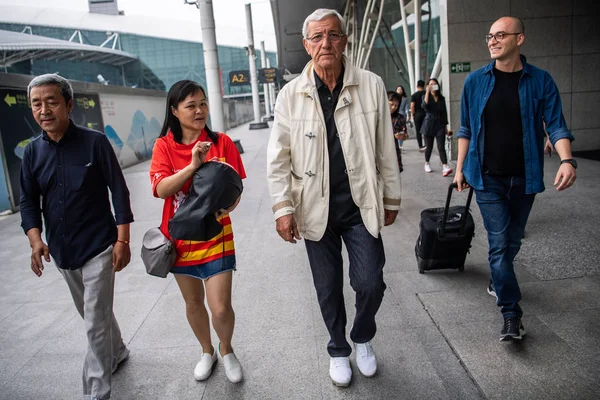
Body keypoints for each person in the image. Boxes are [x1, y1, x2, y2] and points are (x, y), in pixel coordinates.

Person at [266, 8, 401, 387]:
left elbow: (384, 149)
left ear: (344, 40)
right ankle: (339, 349)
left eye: (333, 35)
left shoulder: (371, 85)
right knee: (327, 287)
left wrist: (391, 197)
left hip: (361, 205)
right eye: (317, 37)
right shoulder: (290, 95)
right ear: (307, 45)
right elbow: (278, 159)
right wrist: (283, 207)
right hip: (313, 208)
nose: (326, 43)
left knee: (370, 282)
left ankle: (363, 337)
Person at [454, 17, 576, 341]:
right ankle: (511, 314)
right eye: (489, 36)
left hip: (525, 178)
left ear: (519, 39)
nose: (493, 41)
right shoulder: (475, 81)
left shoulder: (541, 81)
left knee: (513, 241)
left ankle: (498, 278)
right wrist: (459, 169)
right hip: (487, 178)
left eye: (500, 35)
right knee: (498, 245)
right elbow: (465, 129)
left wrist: (566, 159)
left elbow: (557, 124)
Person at [20, 73, 133, 400]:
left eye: (51, 102)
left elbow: (119, 191)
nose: (44, 110)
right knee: (92, 312)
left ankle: (95, 392)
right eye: (36, 104)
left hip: (99, 245)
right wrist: (35, 239)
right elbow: (28, 199)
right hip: (62, 250)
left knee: (93, 322)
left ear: (69, 104)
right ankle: (119, 350)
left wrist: (122, 240)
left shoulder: (94, 142)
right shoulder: (31, 153)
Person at [149, 80, 246, 383]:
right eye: (191, 105)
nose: (200, 110)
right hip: (179, 241)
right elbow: (160, 188)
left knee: (220, 307)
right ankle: (207, 351)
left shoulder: (222, 142)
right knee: (192, 303)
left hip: (216, 236)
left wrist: (227, 209)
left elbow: (236, 186)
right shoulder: (163, 146)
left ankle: (227, 348)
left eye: (203, 103)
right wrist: (192, 166)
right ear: (174, 111)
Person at [422, 78, 453, 176]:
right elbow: (424, 106)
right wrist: (427, 92)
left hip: (439, 124)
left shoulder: (441, 98)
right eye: (431, 84)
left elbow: (444, 113)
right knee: (429, 146)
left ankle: (445, 166)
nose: (433, 86)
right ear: (428, 86)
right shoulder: (425, 96)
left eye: (435, 84)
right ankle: (426, 163)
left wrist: (446, 127)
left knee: (441, 146)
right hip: (429, 124)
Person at [388, 91, 408, 172]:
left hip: (393, 151)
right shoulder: (378, 116)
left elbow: (406, 135)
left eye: (396, 106)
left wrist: (402, 136)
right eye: (391, 104)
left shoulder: (399, 118)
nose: (393, 107)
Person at [410, 80, 427, 152]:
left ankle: (420, 146)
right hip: (426, 114)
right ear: (424, 86)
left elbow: (412, 106)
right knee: (426, 130)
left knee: (418, 131)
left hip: (417, 114)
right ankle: (427, 144)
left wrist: (413, 114)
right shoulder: (427, 94)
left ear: (417, 86)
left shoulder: (414, 95)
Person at [395, 85, 409, 151]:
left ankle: (400, 145)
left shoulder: (405, 99)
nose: (399, 90)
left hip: (402, 116)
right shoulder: (394, 98)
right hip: (395, 115)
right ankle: (398, 145)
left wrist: (408, 115)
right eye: (398, 89)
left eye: (401, 89)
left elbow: (406, 108)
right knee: (396, 130)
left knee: (401, 130)